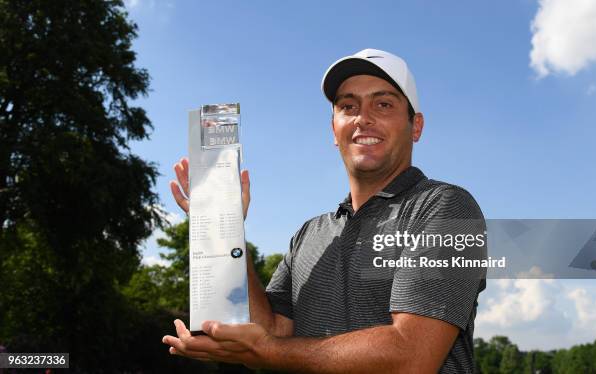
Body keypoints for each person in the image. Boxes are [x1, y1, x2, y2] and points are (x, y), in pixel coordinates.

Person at [163, 48, 487, 373]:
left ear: (415, 126)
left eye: (383, 104)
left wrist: (266, 349)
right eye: (348, 106)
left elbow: (412, 357)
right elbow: (270, 332)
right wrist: (225, 225)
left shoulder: (449, 209)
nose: (363, 117)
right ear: (334, 129)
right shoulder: (308, 235)